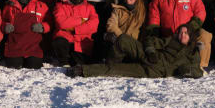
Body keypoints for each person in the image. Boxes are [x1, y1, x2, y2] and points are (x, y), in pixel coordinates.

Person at [72, 23, 203, 80]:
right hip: (149, 56)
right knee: (123, 39)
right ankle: (109, 60)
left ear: (191, 35)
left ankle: (83, 70)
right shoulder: (170, 41)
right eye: (181, 32)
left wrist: (186, 70)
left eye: (186, 33)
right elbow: (150, 40)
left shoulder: (192, 52)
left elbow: (197, 71)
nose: (182, 35)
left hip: (153, 71)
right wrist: (151, 51)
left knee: (115, 70)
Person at [146, 0, 213, 69]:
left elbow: (200, 13)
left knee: (205, 36)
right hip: (169, 36)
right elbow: (153, 17)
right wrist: (154, 32)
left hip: (189, 34)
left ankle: (200, 66)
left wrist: (190, 28)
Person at [1, 0, 51, 68]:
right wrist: (5, 26)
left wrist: (43, 27)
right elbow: (2, 21)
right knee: (13, 66)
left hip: (33, 46)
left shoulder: (41, 6)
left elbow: (50, 23)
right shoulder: (10, 5)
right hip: (15, 45)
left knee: (34, 66)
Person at [49, 0, 100, 67]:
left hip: (82, 43)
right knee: (59, 41)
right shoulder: (60, 6)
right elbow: (61, 23)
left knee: (79, 63)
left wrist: (75, 29)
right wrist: (81, 20)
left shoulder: (90, 8)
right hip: (65, 40)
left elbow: (94, 25)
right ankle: (64, 62)